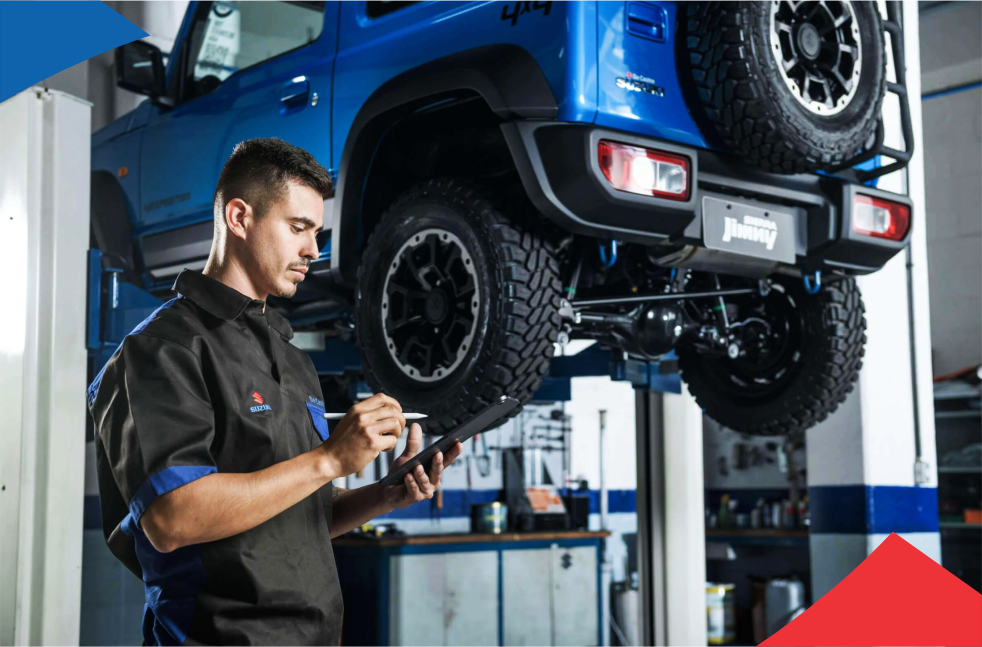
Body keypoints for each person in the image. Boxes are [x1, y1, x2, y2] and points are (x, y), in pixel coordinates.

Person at [87, 138, 462, 647]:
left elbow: (298, 517)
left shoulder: (291, 357)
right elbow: (172, 517)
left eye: (318, 232)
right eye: (298, 228)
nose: (313, 249)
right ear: (240, 218)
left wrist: (385, 495)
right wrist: (330, 458)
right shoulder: (162, 349)